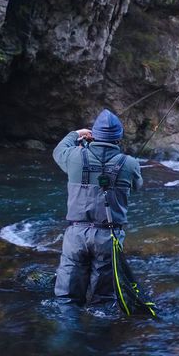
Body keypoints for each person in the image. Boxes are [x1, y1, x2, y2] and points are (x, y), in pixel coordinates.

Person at [52, 109, 143, 305]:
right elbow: (138, 185)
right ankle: (98, 332)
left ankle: (67, 332)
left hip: (76, 234)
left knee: (66, 300)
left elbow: (58, 151)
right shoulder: (130, 163)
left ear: (94, 135)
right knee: (102, 301)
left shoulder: (74, 156)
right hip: (108, 237)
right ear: (118, 138)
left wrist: (76, 134)